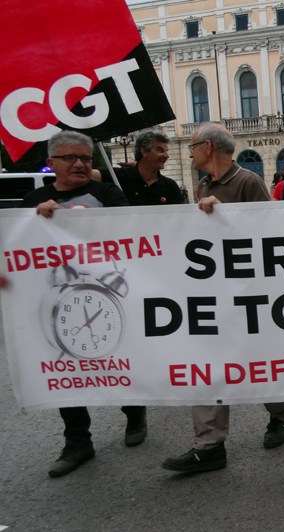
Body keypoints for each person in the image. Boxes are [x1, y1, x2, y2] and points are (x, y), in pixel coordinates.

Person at [162, 123, 284, 474]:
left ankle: (280, 417)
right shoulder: (202, 184)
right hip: (213, 294)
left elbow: (270, 235)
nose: (189, 153)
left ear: (208, 146)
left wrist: (228, 215)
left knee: (261, 362)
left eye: (192, 146)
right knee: (207, 366)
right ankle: (209, 445)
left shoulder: (248, 181)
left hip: (250, 294)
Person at [19, 131, 143, 478]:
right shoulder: (35, 199)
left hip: (109, 295)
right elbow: (20, 250)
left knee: (119, 358)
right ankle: (77, 440)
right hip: (58, 302)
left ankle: (135, 412)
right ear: (51, 164)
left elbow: (132, 230)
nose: (79, 164)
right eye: (70, 158)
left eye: (86, 159)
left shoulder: (106, 194)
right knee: (65, 370)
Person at [113, 131, 184, 206]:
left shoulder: (170, 186)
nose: (166, 156)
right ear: (144, 151)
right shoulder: (117, 177)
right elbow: (98, 176)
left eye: (166, 151)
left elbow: (178, 216)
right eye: (160, 150)